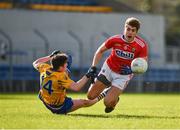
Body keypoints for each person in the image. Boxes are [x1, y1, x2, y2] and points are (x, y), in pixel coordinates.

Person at [87, 17, 148, 113]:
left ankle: (114, 99)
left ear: (136, 32)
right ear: (124, 28)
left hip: (123, 75)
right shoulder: (115, 39)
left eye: (133, 30)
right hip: (108, 68)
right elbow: (100, 51)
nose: (130, 32)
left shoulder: (141, 45)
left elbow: (143, 63)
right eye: (128, 29)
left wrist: (132, 70)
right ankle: (109, 91)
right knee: (90, 96)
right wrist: (93, 67)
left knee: (107, 102)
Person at [33, 51, 106, 114]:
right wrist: (88, 75)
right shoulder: (61, 77)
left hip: (45, 99)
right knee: (85, 102)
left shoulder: (45, 67)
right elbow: (77, 87)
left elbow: (36, 62)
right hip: (58, 107)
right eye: (65, 63)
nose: (67, 64)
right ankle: (104, 93)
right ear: (60, 67)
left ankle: (65, 70)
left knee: (65, 72)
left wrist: (50, 56)